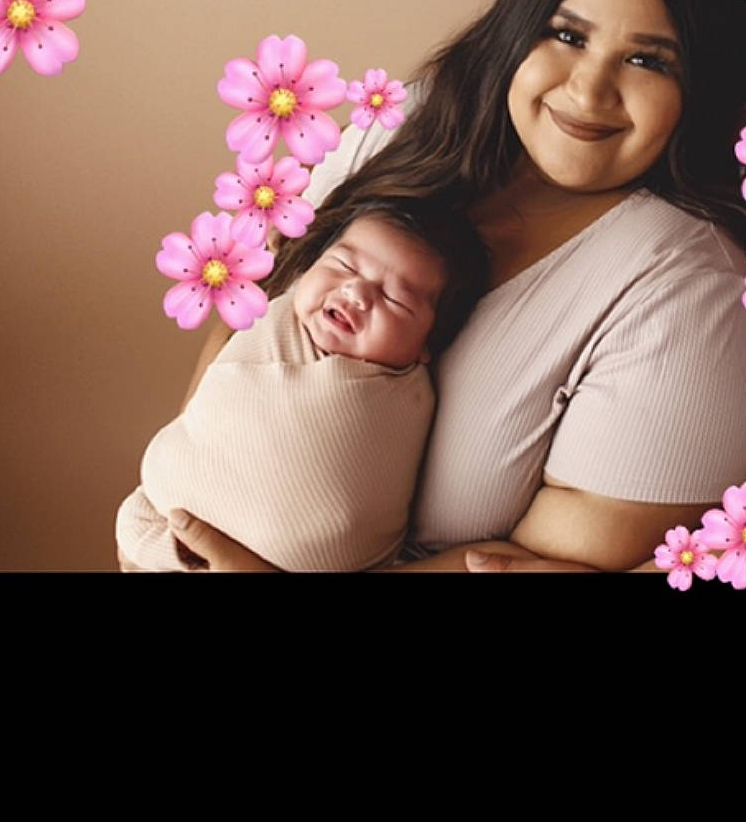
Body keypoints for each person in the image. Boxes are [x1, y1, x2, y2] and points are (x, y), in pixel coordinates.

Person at [154, 0, 746, 576]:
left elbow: (543, 564)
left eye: (648, 60)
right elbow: (250, 322)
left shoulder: (697, 291)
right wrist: (182, 510)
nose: (588, 91)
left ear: (701, 85)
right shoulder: (411, 126)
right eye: (567, 35)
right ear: (518, 27)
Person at [116, 200, 489, 572]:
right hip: (175, 515)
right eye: (343, 265)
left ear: (427, 345)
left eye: (395, 298)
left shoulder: (406, 396)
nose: (356, 293)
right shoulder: (280, 315)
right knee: (134, 522)